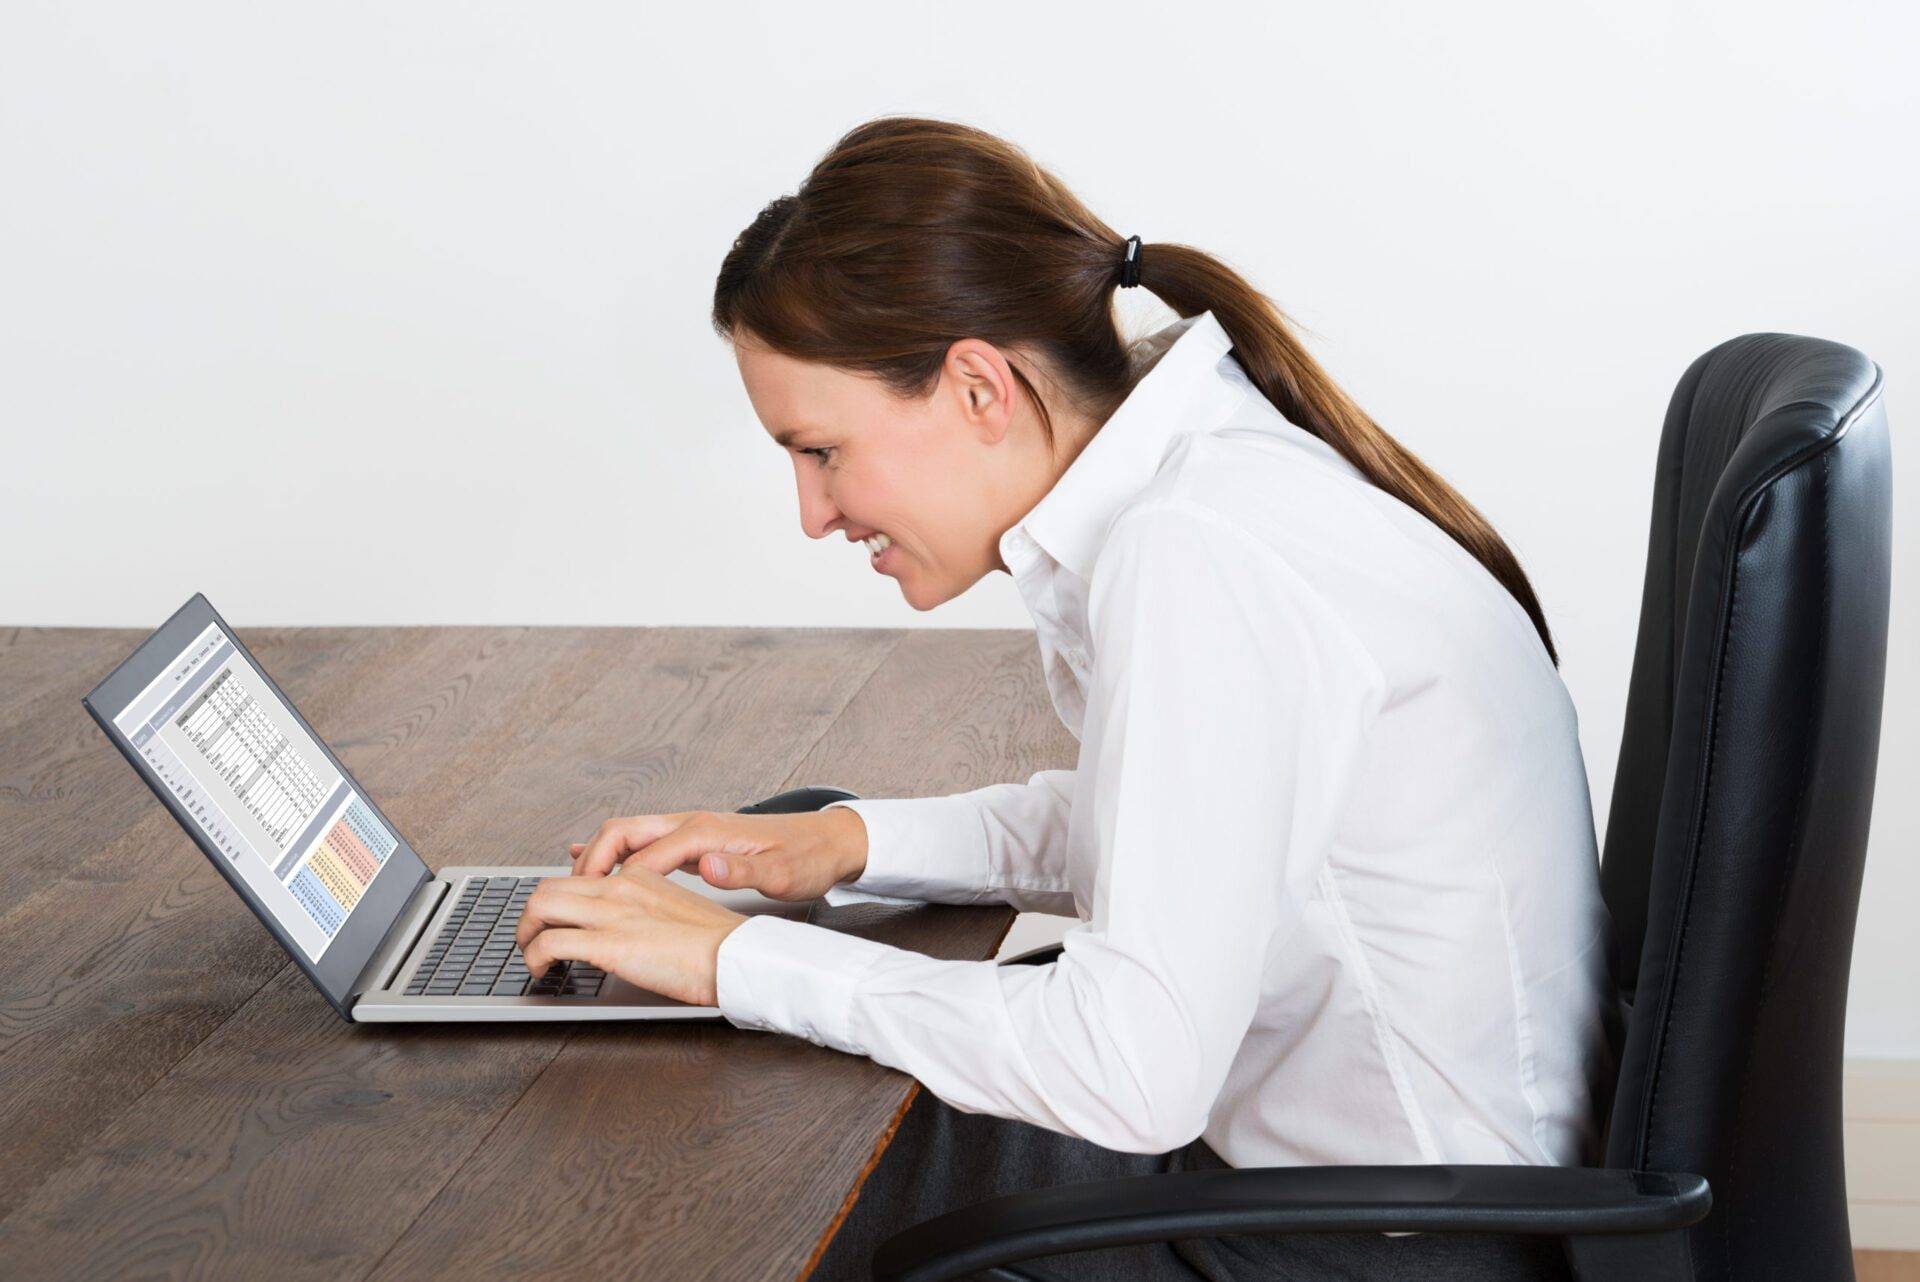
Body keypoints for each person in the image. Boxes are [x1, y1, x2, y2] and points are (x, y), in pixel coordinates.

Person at [514, 116, 1619, 1281]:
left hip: (1385, 1245)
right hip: (1417, 1193)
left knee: (770, 1180)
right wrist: (845, 840)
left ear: (979, 387)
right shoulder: (1218, 473)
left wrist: (729, 962)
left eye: (822, 451)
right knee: (829, 1099)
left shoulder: (1197, 552)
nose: (813, 512)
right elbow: (1176, 821)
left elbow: (1132, 1070)